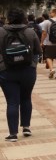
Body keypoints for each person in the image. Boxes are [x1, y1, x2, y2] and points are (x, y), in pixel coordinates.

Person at [0, 8, 42, 142]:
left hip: (6, 71)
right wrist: (34, 64)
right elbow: (38, 51)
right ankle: (26, 127)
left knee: (12, 102)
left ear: (8, 18)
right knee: (26, 98)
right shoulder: (30, 31)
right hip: (27, 70)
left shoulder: (0, 31)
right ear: (23, 18)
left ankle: (13, 133)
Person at [41, 9, 56, 80]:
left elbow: (44, 33)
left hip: (49, 43)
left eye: (50, 12)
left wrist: (41, 42)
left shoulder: (47, 22)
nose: (49, 14)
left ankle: (51, 69)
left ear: (54, 13)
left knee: (48, 57)